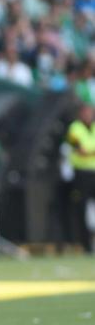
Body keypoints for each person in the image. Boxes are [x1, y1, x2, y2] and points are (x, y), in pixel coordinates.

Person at [66, 103, 95, 253]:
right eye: (87, 112)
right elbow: (79, 150)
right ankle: (86, 246)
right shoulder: (74, 129)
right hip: (81, 173)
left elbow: (86, 150)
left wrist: (88, 151)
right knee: (82, 208)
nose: (89, 115)